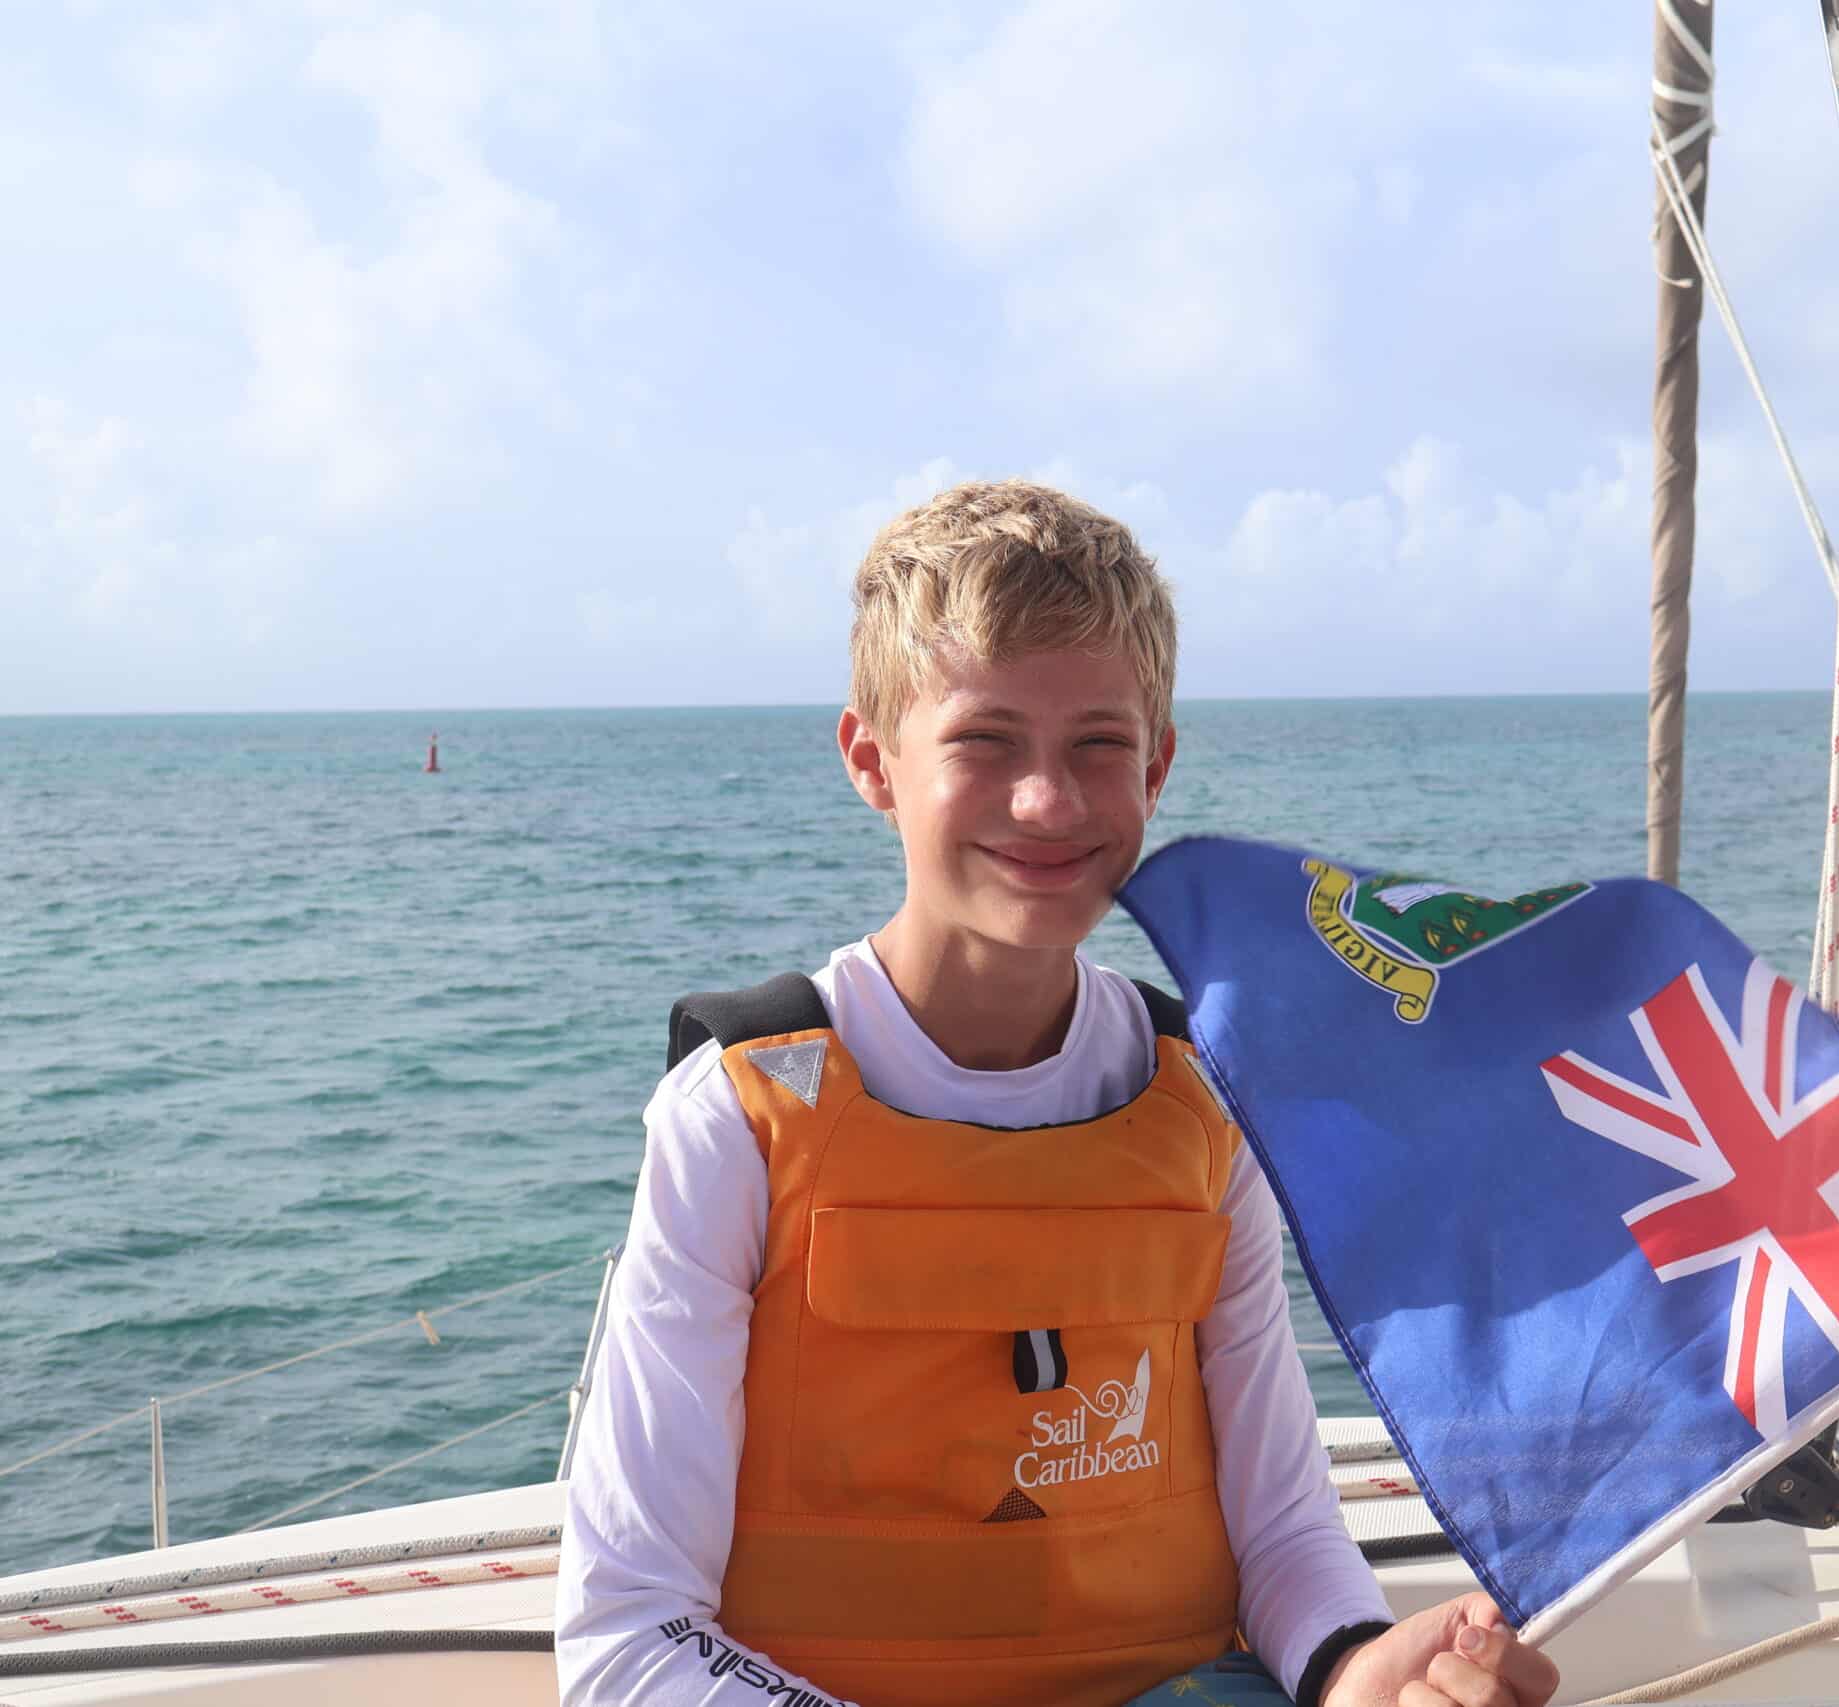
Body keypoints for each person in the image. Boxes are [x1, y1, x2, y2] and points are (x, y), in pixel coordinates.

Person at [556, 481, 1561, 1707]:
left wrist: (1352, 1667)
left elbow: (1282, 1533)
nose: (1048, 801)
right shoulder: (743, 1115)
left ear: (1158, 766)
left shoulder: (1209, 1101)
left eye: (1098, 745)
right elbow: (628, 1639)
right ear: (872, 762)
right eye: (984, 741)